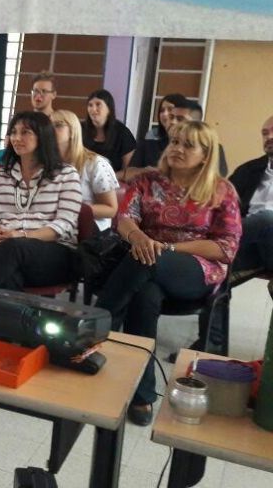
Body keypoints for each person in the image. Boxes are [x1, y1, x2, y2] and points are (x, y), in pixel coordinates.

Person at [94, 121, 240, 426]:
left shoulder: (221, 190)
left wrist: (168, 248)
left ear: (206, 155)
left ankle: (95, 327)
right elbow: (124, 219)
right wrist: (139, 237)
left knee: (148, 261)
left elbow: (226, 247)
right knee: (145, 296)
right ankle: (143, 394)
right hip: (144, 264)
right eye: (174, 142)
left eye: (188, 145)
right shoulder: (147, 181)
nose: (177, 149)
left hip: (196, 268)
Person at [0, 111, 83, 290]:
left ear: (43, 136)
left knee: (12, 250)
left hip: (53, 253)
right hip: (4, 248)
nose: (17, 138)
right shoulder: (0, 175)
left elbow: (65, 224)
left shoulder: (66, 174)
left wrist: (22, 236)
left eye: (25, 132)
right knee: (8, 274)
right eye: (13, 132)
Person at [123, 94, 229, 180]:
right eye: (171, 117)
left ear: (195, 123)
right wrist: (149, 172)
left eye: (180, 119)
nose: (172, 122)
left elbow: (216, 179)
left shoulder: (212, 148)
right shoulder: (147, 145)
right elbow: (128, 174)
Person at [53, 110, 119, 230]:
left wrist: (71, 209)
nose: (50, 130)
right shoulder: (48, 164)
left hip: (90, 229)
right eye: (48, 126)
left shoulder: (96, 164)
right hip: (56, 225)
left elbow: (111, 209)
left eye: (58, 125)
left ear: (72, 131)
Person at [229, 114, 273, 275]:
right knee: (267, 219)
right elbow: (221, 205)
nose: (269, 137)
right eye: (265, 133)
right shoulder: (248, 170)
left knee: (268, 219)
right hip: (247, 241)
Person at [82, 89, 136, 172]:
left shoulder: (122, 132)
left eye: (98, 104)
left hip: (114, 178)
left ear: (109, 109)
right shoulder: (80, 128)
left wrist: (108, 178)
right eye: (90, 105)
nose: (93, 109)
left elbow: (129, 170)